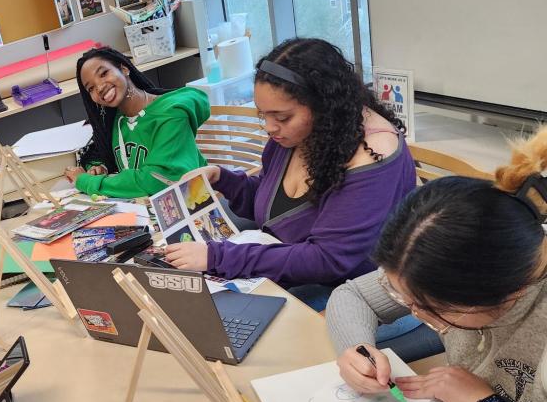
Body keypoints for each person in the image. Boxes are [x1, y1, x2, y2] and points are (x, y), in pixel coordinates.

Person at [326, 129, 547, 402]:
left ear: (513, 293)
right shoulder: (449, 262)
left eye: (432, 309)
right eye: (402, 298)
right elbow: (352, 297)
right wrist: (357, 348)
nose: (414, 314)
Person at [165, 38, 415, 306]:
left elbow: (328, 260)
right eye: (263, 115)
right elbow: (270, 205)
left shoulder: (371, 160)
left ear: (324, 106)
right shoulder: (302, 134)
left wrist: (218, 257)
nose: (270, 127)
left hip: (354, 292)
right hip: (297, 267)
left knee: (217, 313)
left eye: (282, 117)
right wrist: (222, 178)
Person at [64, 46, 210, 198]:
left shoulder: (171, 114)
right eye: (91, 88)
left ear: (124, 69)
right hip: (140, 208)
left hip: (190, 204)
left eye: (104, 73)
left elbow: (156, 181)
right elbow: (98, 152)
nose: (99, 88)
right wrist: (99, 167)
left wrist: (85, 181)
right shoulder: (115, 119)